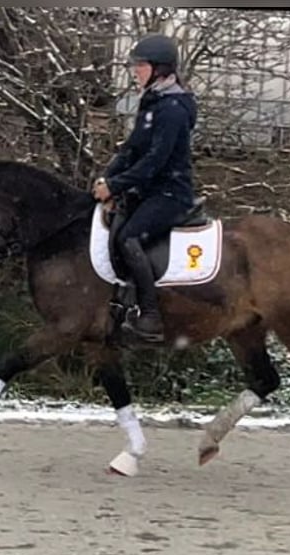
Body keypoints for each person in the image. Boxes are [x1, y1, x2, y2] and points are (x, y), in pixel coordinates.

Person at [92, 33, 198, 343]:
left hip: (170, 194)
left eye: (141, 66)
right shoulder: (152, 104)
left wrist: (115, 185)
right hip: (148, 191)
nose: (135, 71)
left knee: (129, 237)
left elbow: (154, 162)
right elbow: (131, 151)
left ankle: (151, 316)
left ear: (161, 69)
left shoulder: (173, 110)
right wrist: (106, 178)